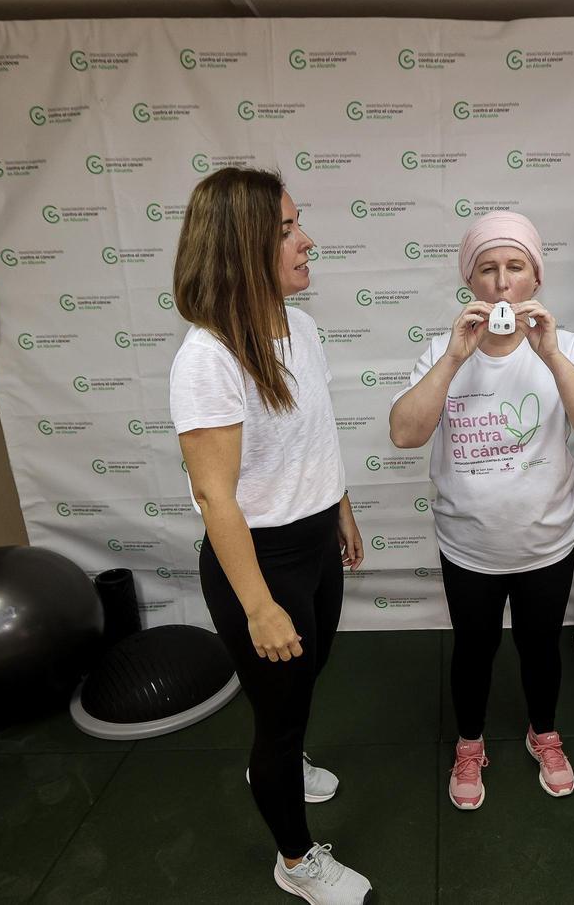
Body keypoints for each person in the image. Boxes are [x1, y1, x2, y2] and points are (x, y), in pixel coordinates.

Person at [168, 168, 372, 903]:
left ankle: (282, 761)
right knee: (279, 722)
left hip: (315, 544)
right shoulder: (208, 358)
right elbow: (213, 496)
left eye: (297, 223)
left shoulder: (301, 328)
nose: (306, 240)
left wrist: (341, 508)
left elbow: (314, 434)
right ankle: (295, 860)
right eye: (286, 230)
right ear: (241, 247)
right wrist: (258, 606)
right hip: (261, 563)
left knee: (301, 684)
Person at [390, 211, 574, 810]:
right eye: (487, 269)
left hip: (546, 541)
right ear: (470, 281)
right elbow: (405, 433)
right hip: (469, 546)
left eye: (515, 267)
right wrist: (452, 359)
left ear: (535, 278)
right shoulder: (442, 351)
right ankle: (470, 743)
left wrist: (552, 355)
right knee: (473, 650)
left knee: (542, 648)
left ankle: (544, 733)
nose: (501, 283)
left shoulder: (565, 347)